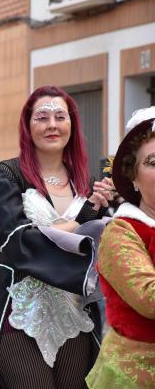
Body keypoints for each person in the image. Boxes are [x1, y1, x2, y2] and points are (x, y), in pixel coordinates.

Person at [0, 86, 114, 389]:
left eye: (60, 116)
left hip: (74, 312)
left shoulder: (86, 180)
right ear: (27, 125)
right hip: (18, 309)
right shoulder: (5, 175)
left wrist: (100, 209)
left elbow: (92, 243)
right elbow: (15, 239)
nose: (52, 125)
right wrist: (79, 222)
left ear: (72, 124)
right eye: (42, 117)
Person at [85, 107, 155, 389]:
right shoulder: (122, 230)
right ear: (133, 178)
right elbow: (149, 299)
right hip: (136, 375)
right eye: (153, 161)